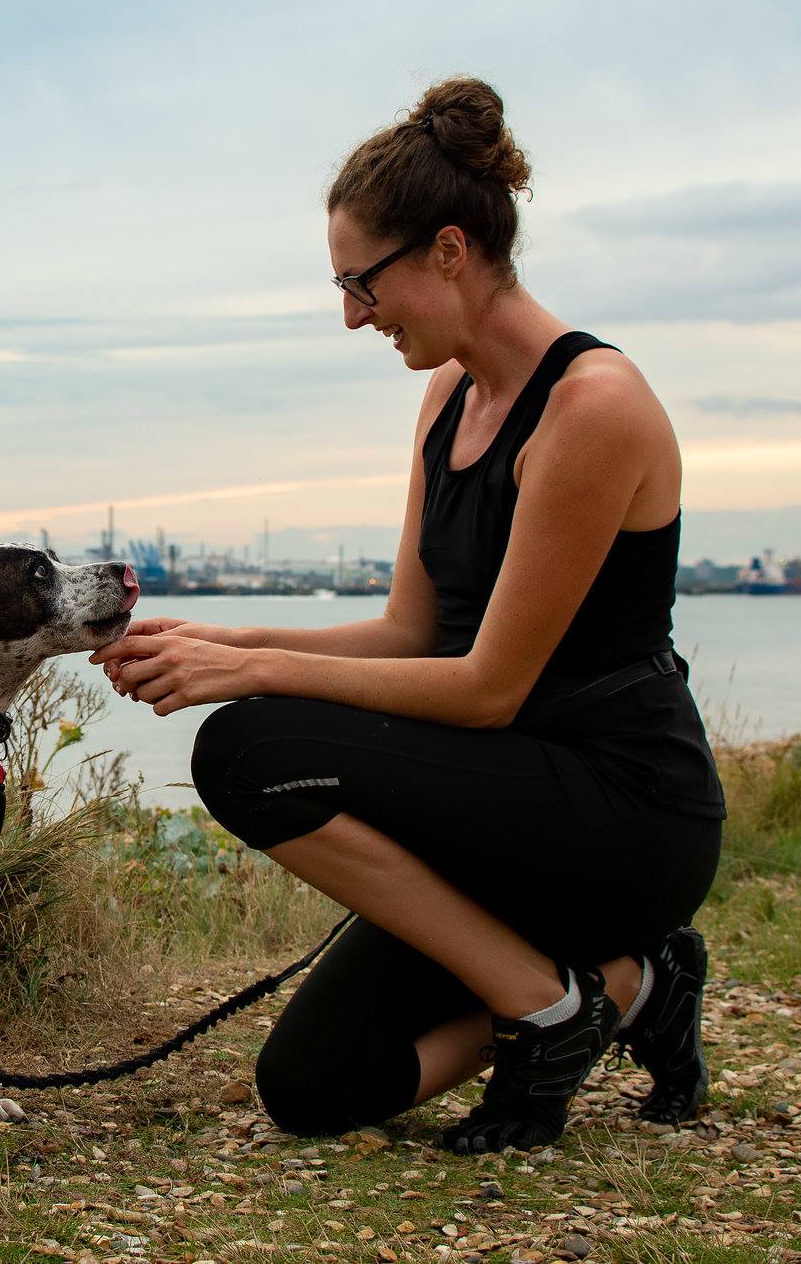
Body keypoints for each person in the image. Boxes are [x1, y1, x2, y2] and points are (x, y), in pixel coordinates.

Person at [91, 77, 725, 1154]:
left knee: (245, 747)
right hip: (498, 808)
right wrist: (218, 642)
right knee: (316, 1087)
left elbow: (483, 689)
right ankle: (629, 983)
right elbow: (408, 635)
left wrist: (248, 678)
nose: (351, 315)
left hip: (618, 817)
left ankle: (549, 1011)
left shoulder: (592, 408)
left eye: (359, 283)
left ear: (445, 250)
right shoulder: (446, 398)